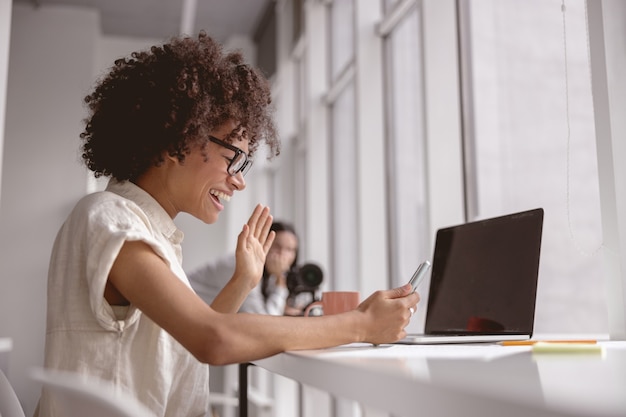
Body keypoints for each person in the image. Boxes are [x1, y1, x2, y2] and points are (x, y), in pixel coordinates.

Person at [35, 31, 420, 417]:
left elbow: (188, 341)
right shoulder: (110, 218)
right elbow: (212, 340)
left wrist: (243, 281)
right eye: (233, 156)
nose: (239, 179)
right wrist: (361, 324)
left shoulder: (139, 229)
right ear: (176, 141)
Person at [189, 221, 309, 316]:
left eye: (290, 250)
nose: (282, 254)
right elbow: (262, 323)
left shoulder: (269, 273)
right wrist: (280, 287)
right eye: (277, 246)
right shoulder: (241, 265)